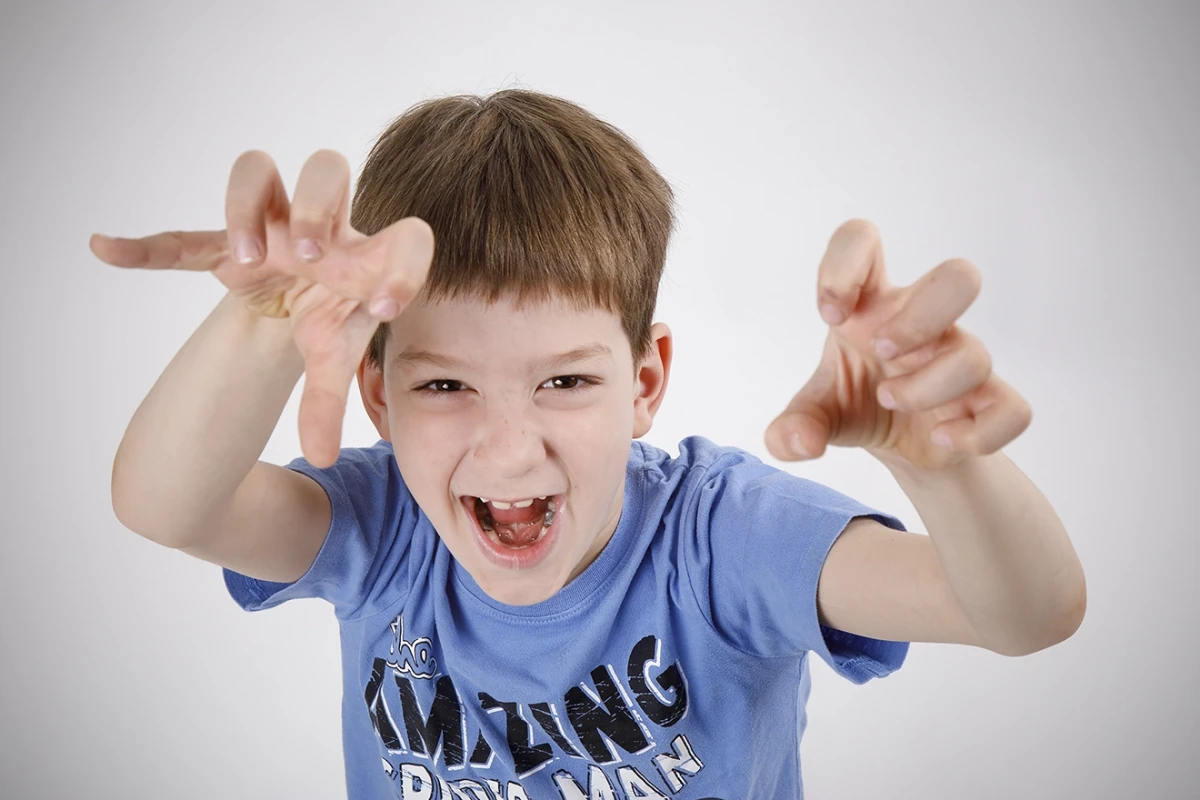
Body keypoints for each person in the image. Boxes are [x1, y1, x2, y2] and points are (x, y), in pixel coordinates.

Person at [94, 89, 1086, 799]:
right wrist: (270, 316)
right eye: (443, 383)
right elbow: (166, 504)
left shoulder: (719, 538)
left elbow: (1023, 611)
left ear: (645, 380)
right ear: (377, 394)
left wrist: (935, 459)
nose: (510, 446)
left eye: (564, 380)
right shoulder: (383, 527)